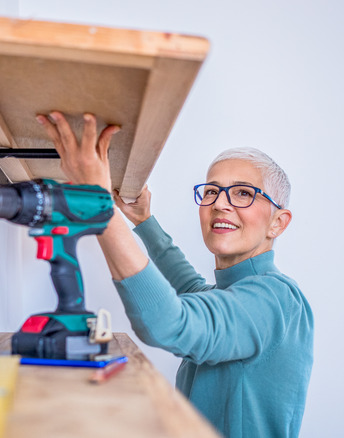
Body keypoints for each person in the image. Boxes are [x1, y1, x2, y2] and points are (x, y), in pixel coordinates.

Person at [36, 111, 314, 438]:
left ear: (278, 222)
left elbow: (169, 322)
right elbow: (188, 286)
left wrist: (100, 205)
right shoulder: (237, 294)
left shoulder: (277, 300)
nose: (220, 203)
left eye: (243, 193)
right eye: (211, 191)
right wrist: (143, 220)